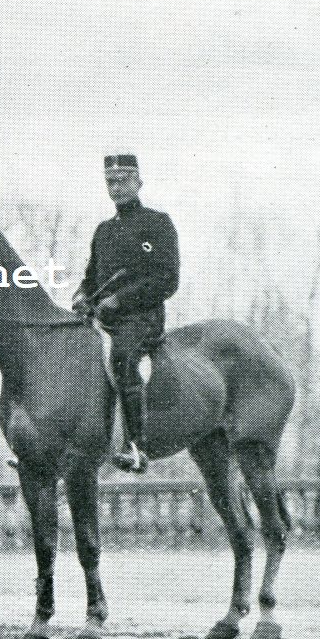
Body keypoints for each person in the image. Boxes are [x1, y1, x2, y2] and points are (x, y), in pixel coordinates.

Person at [73, 154, 179, 473]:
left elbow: (167, 279)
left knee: (121, 357)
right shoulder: (103, 231)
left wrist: (120, 300)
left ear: (138, 183)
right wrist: (82, 296)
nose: (117, 188)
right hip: (104, 319)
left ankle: (136, 445)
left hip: (141, 318)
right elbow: (91, 278)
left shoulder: (158, 223)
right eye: (111, 182)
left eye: (123, 181)